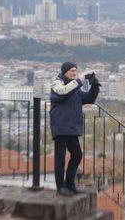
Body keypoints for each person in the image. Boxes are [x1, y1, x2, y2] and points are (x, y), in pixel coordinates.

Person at [50, 62, 100, 195]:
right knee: (60, 158)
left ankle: (70, 184)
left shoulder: (75, 87)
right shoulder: (57, 83)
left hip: (72, 127)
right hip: (61, 126)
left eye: (75, 71)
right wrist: (80, 80)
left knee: (77, 154)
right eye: (72, 70)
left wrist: (94, 84)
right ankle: (61, 187)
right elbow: (63, 92)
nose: (74, 73)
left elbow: (88, 98)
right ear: (64, 71)